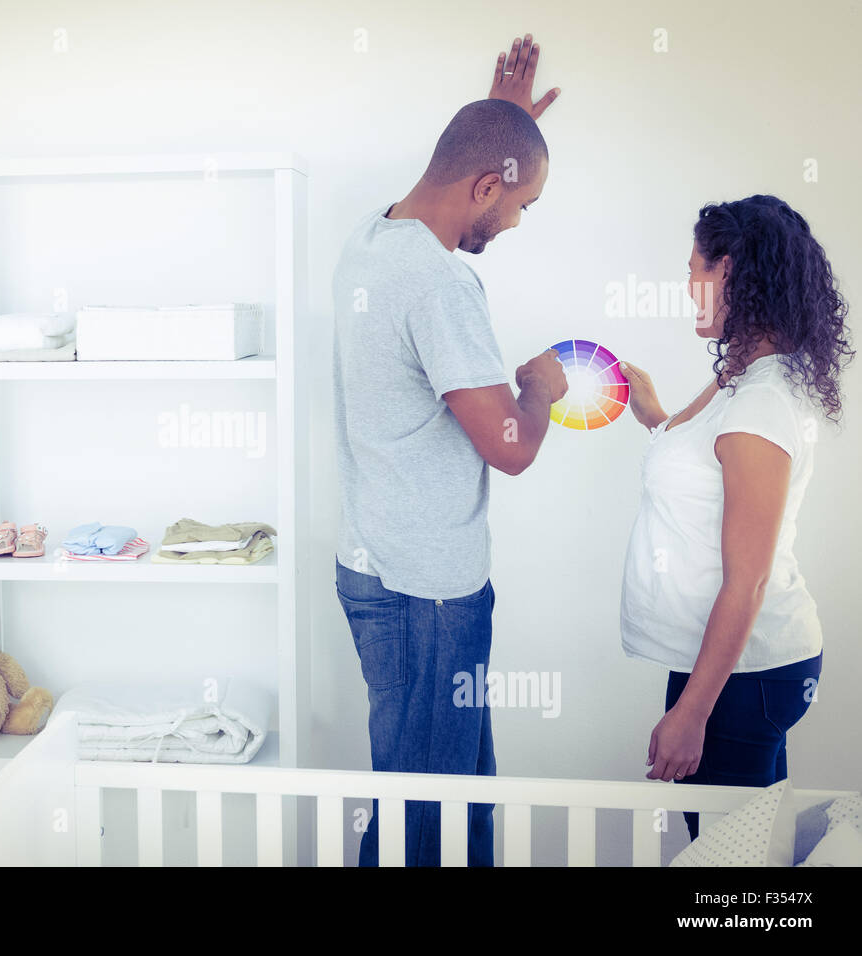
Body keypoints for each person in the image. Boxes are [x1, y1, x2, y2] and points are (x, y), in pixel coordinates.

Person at [332, 35, 566, 866]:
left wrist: (505, 124)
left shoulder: (369, 240)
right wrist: (539, 388)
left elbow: (461, 161)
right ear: (485, 184)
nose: (511, 223)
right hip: (426, 593)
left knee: (453, 798)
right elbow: (510, 448)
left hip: (381, 570)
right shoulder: (439, 284)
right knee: (418, 824)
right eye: (516, 205)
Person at [619, 195, 853, 840]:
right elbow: (697, 454)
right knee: (753, 855)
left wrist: (693, 712)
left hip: (742, 672)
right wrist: (650, 412)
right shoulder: (744, 378)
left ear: (729, 273)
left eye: (694, 268)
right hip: (728, 660)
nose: (687, 284)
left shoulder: (760, 404)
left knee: (732, 867)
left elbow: (747, 579)